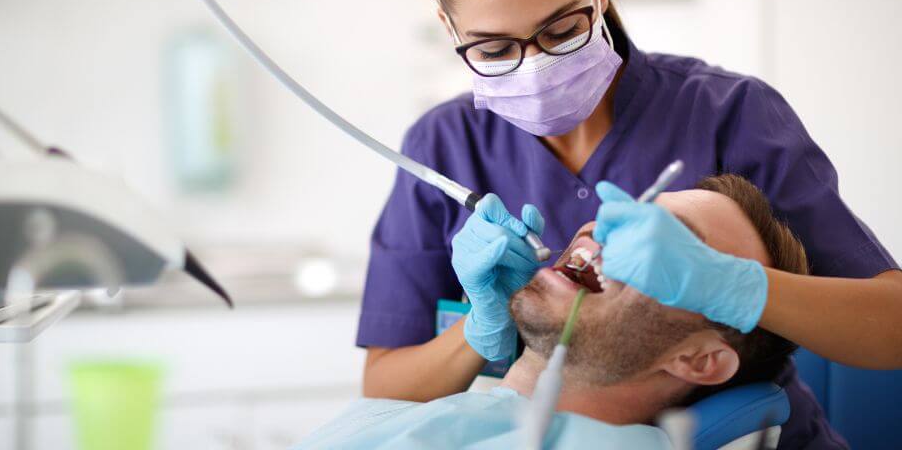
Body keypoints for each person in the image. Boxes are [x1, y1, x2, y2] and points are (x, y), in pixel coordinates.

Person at [358, 0, 901, 448]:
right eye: (494, 49)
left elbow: (894, 325)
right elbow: (384, 387)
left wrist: (735, 287)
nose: (536, 64)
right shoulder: (443, 145)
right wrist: (481, 331)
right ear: (450, 27)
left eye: (562, 29)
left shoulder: (727, 114)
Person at [307, 176, 806, 449]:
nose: (601, 228)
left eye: (665, 243)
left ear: (699, 360)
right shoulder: (395, 415)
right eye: (631, 212)